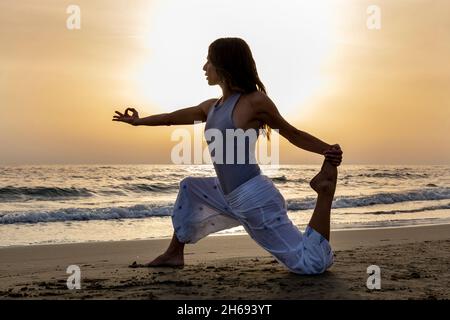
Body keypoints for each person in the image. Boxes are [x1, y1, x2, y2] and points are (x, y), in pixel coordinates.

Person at [112, 37, 343, 275]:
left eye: (208, 62)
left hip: (255, 200)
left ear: (224, 65)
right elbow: (170, 117)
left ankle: (325, 190)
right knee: (189, 189)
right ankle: (173, 254)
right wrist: (138, 122)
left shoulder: (254, 102)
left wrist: (326, 150)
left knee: (311, 265)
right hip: (229, 195)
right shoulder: (211, 107)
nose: (204, 68)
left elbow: (291, 133)